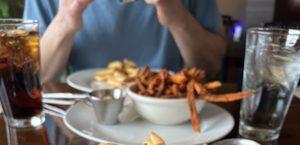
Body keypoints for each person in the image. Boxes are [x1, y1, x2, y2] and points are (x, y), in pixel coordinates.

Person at [24, 0, 226, 83]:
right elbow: (34, 77)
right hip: (80, 114)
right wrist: (65, 19)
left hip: (167, 108)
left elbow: (211, 66)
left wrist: (175, 13)